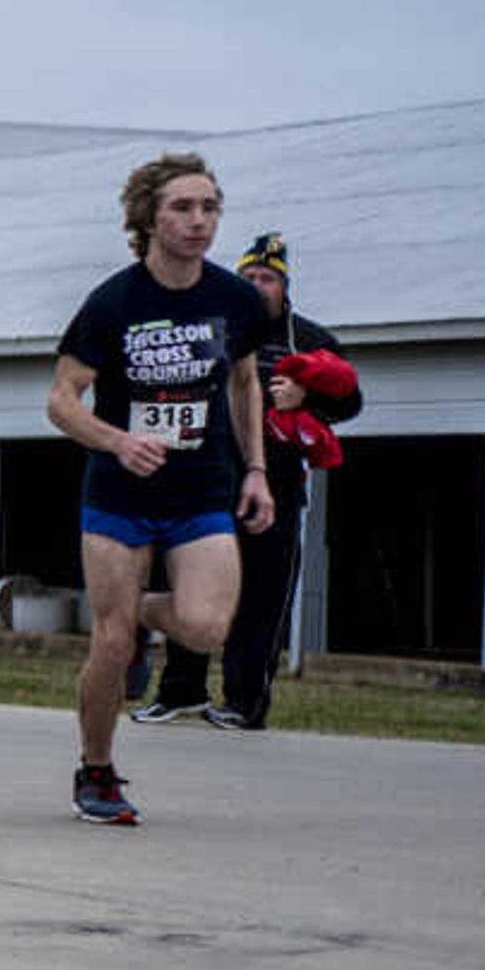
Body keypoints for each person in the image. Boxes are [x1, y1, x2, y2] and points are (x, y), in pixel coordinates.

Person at [52, 155, 277, 824]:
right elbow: (62, 400)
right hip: (119, 495)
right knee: (111, 646)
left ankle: (146, 611)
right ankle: (97, 768)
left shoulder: (235, 300)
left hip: (201, 490)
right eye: (183, 206)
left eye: (210, 206)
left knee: (207, 627)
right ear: (149, 217)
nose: (199, 220)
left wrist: (257, 470)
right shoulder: (114, 302)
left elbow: (244, 382)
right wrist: (118, 440)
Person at [144, 230, 361, 730]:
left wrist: (306, 398)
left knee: (261, 600)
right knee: (188, 589)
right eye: (249, 277)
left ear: (284, 287)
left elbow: (350, 402)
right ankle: (181, 691)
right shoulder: (208, 330)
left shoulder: (309, 340)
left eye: (268, 278)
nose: (258, 285)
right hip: (205, 488)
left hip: (277, 493)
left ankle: (244, 702)